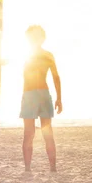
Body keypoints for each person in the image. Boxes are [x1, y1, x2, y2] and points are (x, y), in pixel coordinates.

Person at [19, 25, 62, 172]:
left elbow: (56, 77)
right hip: (41, 94)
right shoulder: (46, 55)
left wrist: (59, 98)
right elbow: (56, 77)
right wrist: (58, 98)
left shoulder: (28, 55)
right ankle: (49, 168)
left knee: (32, 133)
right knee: (43, 133)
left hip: (33, 94)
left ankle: (30, 169)